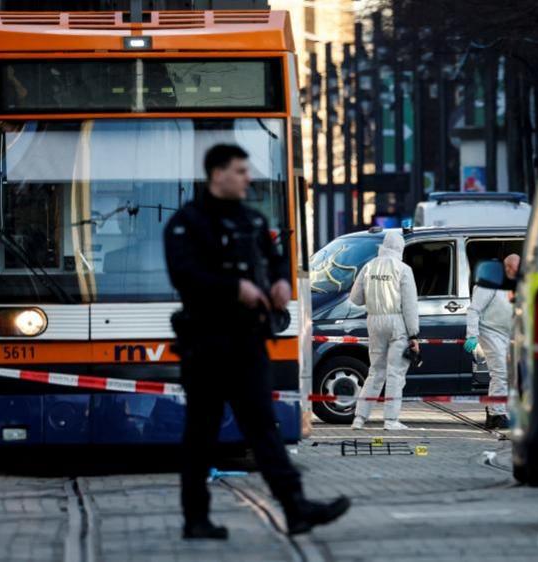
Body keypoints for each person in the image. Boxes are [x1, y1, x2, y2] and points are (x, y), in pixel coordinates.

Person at [164, 144, 349, 540]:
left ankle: (296, 508)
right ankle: (196, 519)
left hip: (248, 344)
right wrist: (235, 289)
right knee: (201, 434)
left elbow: (276, 255)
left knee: (264, 428)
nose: (248, 177)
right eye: (240, 170)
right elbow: (185, 276)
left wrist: (280, 280)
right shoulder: (187, 223)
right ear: (217, 175)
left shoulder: (251, 219)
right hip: (206, 346)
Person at [348, 231, 420, 431]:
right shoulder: (403, 269)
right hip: (396, 322)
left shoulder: (369, 267)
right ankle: (390, 420)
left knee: (375, 371)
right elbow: (410, 305)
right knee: (396, 373)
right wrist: (414, 334)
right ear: (400, 248)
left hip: (374, 321)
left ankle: (359, 418)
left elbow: (355, 299)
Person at [465, 254, 521, 430]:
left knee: (509, 375)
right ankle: (498, 414)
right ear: (507, 268)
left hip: (508, 334)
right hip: (490, 331)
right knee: (500, 372)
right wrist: (472, 335)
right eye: (515, 270)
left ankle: (495, 412)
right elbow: (474, 310)